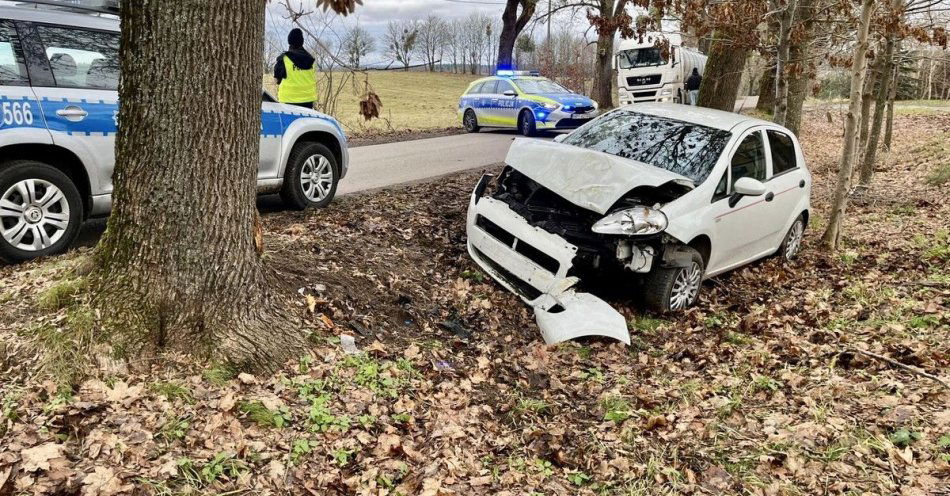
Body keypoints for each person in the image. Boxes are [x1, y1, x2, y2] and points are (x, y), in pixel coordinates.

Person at [275, 28, 317, 109]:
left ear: (289, 41)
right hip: (308, 100)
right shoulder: (311, 59)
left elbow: (276, 80)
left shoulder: (283, 59)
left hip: (288, 100)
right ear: (302, 41)